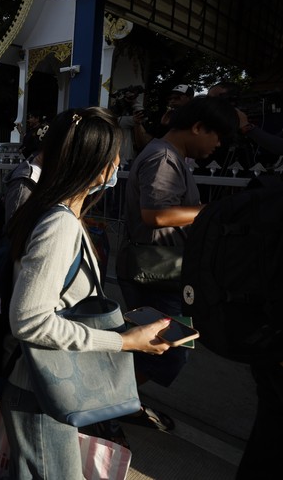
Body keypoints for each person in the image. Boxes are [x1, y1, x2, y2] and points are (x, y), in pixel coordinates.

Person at [2, 107, 172, 478]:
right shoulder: (58, 224)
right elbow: (29, 321)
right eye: (115, 156)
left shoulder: (56, 212)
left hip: (51, 385)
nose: (120, 164)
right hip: (39, 391)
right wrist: (123, 342)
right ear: (95, 165)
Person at [118, 96, 237, 394]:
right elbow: (156, 215)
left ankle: (116, 403)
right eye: (217, 135)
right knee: (166, 354)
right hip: (155, 272)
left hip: (161, 269)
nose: (218, 144)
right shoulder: (163, 158)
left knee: (159, 352)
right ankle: (106, 404)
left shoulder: (168, 155)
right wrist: (212, 211)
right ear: (197, 127)